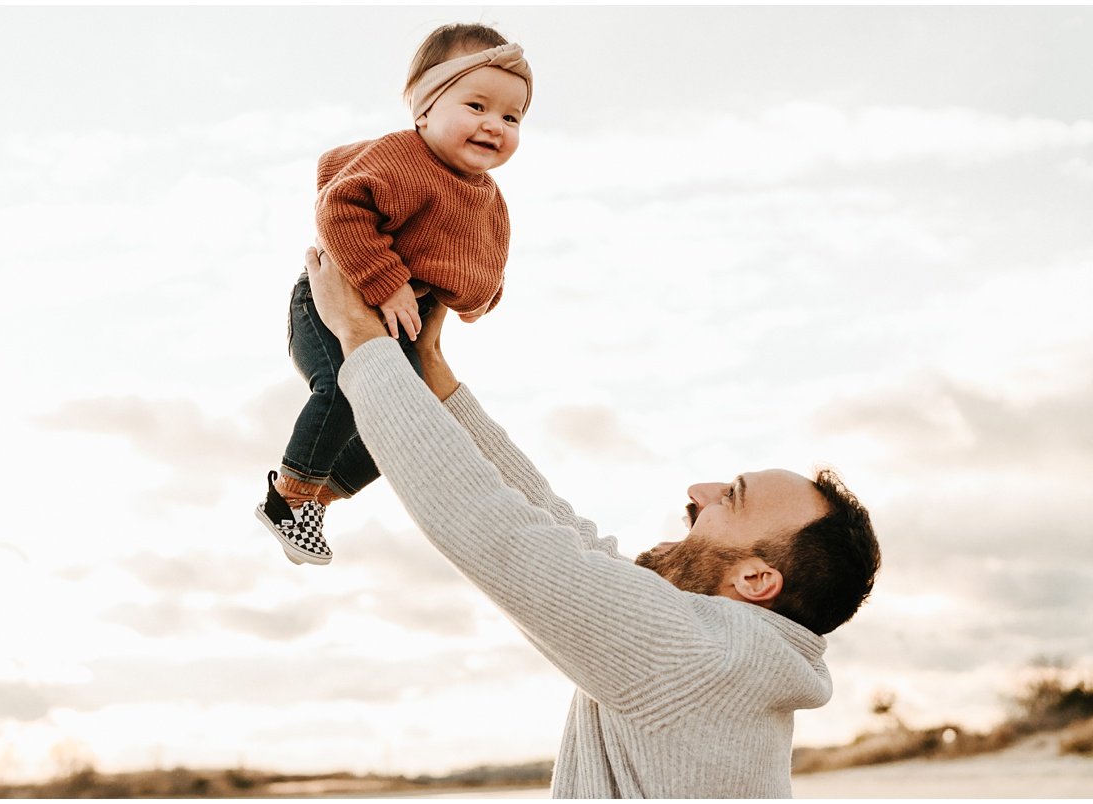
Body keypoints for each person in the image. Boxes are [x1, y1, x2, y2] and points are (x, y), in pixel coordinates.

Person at [302, 245, 882, 798]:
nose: (698, 493)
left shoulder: (701, 655)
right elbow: (559, 532)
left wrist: (361, 338)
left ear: (756, 580)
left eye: (731, 498)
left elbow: (499, 534)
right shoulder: (733, 654)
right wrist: (432, 371)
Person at [256, 23, 534, 565]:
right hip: (331, 301)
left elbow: (486, 270)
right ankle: (288, 495)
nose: (493, 125)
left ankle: (323, 494)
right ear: (426, 108)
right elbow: (340, 207)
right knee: (342, 388)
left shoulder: (489, 201)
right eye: (476, 105)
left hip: (406, 319)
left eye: (511, 117)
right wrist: (385, 280)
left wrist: (468, 298)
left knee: (410, 423)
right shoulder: (401, 158)